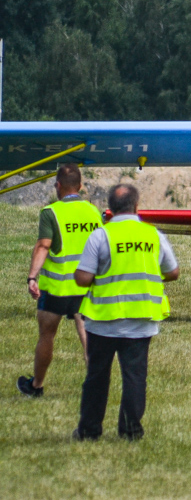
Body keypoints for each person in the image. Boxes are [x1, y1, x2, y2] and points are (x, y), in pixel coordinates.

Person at [72, 184, 180, 441]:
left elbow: (83, 278)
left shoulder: (101, 236)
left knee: (97, 378)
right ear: (136, 206)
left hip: (103, 321)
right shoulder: (152, 234)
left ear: (110, 209)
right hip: (140, 320)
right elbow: (173, 272)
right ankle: (131, 430)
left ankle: (89, 431)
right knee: (134, 378)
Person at [18, 164, 103, 398]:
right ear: (81, 186)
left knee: (46, 336)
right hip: (86, 286)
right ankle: (95, 387)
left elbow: (44, 245)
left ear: (57, 186)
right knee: (88, 338)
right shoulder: (93, 212)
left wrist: (32, 277)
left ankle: (36, 385)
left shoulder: (51, 212)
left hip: (56, 288)